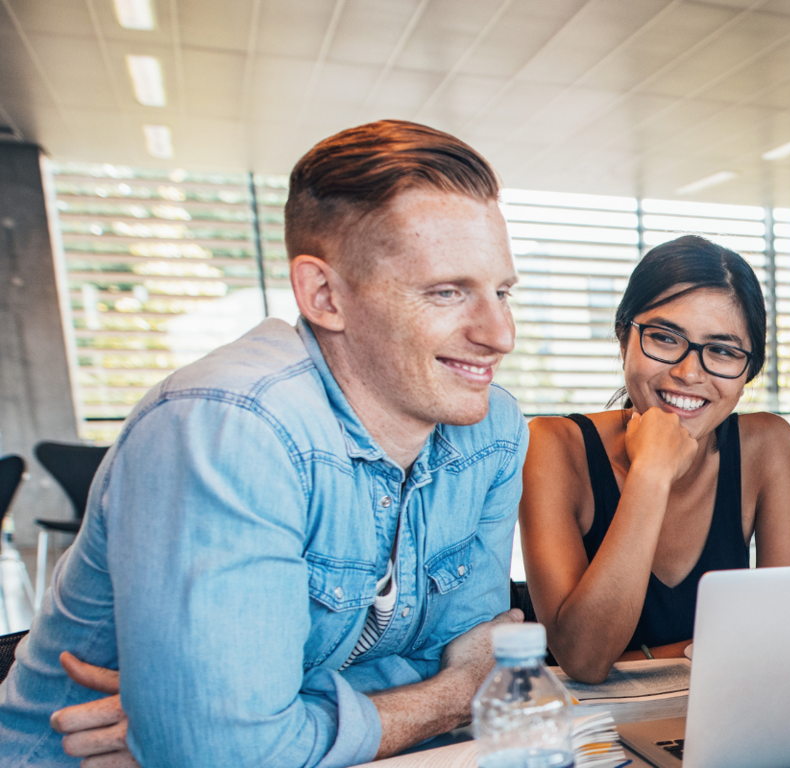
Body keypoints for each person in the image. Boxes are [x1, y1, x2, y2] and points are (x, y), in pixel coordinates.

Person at [0, 120, 528, 766]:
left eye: (503, 292)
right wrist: (451, 694)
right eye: (447, 292)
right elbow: (232, 755)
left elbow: (482, 650)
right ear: (324, 295)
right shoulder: (231, 428)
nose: (500, 334)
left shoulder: (492, 431)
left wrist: (251, 717)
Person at [518, 235, 790, 683]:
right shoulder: (552, 446)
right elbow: (584, 659)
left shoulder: (766, 446)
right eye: (664, 338)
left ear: (748, 371)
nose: (688, 373)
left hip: (726, 713)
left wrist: (637, 660)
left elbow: (787, 638)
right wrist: (651, 472)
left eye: (723, 351)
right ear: (623, 339)